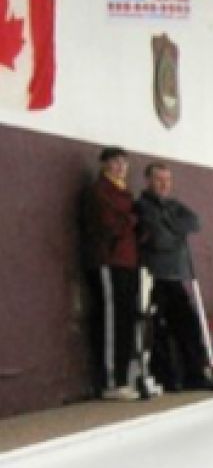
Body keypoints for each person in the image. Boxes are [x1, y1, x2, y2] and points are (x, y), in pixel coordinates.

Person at [135, 163, 213, 393]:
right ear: (148, 181)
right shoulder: (142, 206)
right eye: (158, 179)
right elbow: (158, 239)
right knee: (158, 330)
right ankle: (166, 378)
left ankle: (195, 374)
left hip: (177, 276)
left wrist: (170, 226)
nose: (164, 184)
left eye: (167, 180)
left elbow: (194, 222)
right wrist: (177, 232)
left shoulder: (174, 205)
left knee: (189, 326)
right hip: (154, 276)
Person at [81, 146, 141, 400]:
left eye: (124, 163)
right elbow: (108, 225)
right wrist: (131, 219)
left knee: (127, 318)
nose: (120, 167)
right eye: (115, 162)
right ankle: (111, 381)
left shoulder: (125, 193)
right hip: (108, 261)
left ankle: (124, 377)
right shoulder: (98, 192)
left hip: (128, 262)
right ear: (104, 164)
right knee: (111, 321)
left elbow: (133, 222)